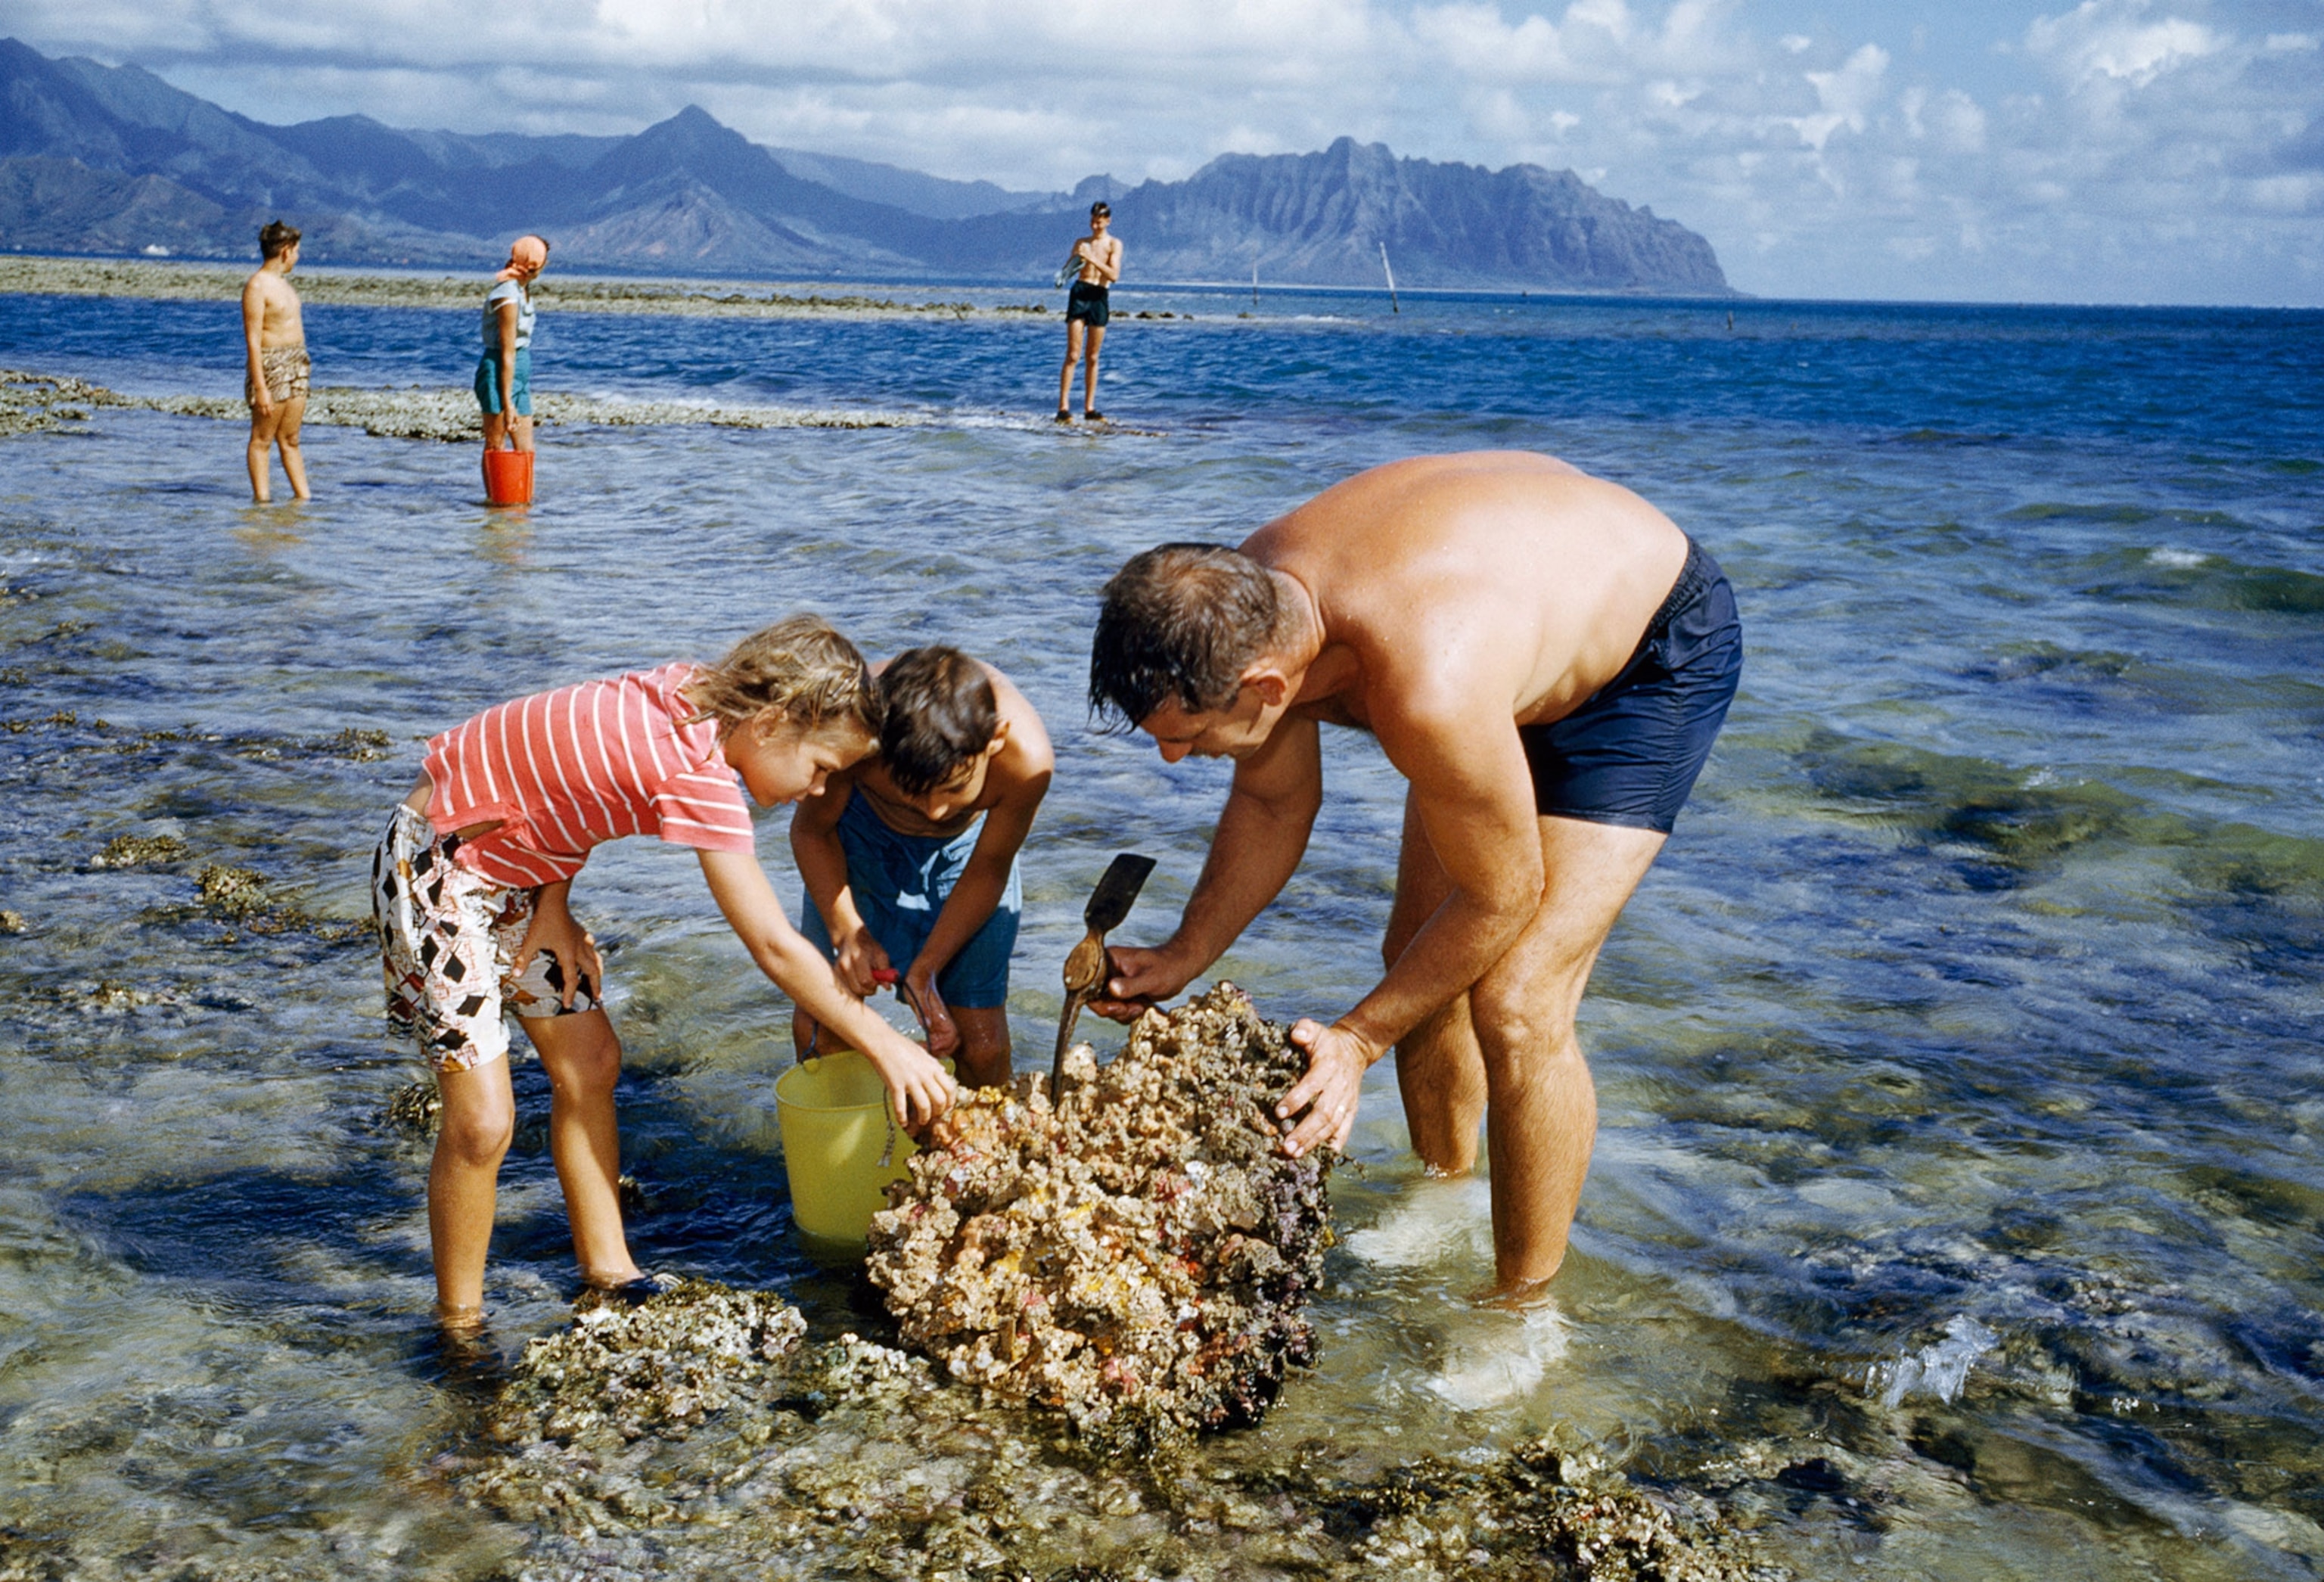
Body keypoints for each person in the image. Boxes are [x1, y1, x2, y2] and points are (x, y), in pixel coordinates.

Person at [1085, 452, 1741, 1299]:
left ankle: (1523, 1309)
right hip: (1512, 624)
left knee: (1517, 1001)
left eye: (1190, 734)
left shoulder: (1426, 687)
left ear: (1267, 685)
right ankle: (1447, 1190)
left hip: (1649, 657)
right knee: (1417, 955)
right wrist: (1183, 953)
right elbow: (1274, 805)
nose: (1175, 755)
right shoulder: (1243, 604)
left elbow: (1502, 898)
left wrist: (1357, 1041)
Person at [372, 615, 956, 1329]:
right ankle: (457, 1323)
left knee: (591, 1061)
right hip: (437, 864)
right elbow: (772, 943)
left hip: (523, 878)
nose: (816, 790)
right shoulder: (698, 773)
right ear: (772, 723)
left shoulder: (691, 695)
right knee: (485, 1120)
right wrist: (884, 1044)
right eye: (823, 767)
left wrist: (554, 898)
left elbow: (564, 784)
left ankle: (609, 1269)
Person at [791, 646, 1053, 1091]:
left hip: (970, 858)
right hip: (857, 840)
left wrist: (927, 968)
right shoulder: (853, 730)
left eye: (954, 788)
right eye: (911, 791)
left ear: (995, 739)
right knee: (824, 1027)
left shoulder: (1026, 762)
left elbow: (990, 866)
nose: (934, 813)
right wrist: (848, 932)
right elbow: (812, 833)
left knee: (981, 1047)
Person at [241, 220, 309, 503]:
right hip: (270, 365)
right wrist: (261, 387)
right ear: (285, 250)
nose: (298, 257)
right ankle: (263, 503)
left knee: (291, 438)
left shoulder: (285, 285)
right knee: (262, 439)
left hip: (296, 363)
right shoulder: (257, 286)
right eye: (296, 251)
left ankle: (304, 500)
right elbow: (253, 341)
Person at [477, 235, 548, 489]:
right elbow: (507, 351)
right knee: (496, 445)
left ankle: (520, 510)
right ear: (533, 264)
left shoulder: (522, 289)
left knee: (526, 449)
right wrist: (508, 404)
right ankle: (497, 507)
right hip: (499, 370)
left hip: (519, 372)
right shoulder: (507, 294)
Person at [1056, 202, 1122, 424]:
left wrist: (1092, 258)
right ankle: (1063, 408)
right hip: (1080, 293)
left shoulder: (1114, 244)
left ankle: (1089, 408)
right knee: (1073, 354)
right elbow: (1069, 269)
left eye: (1099, 222)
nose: (1095, 226)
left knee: (1092, 356)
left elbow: (1114, 275)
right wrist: (1065, 273)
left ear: (1107, 221)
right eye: (1092, 221)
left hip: (1099, 295)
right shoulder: (1081, 243)